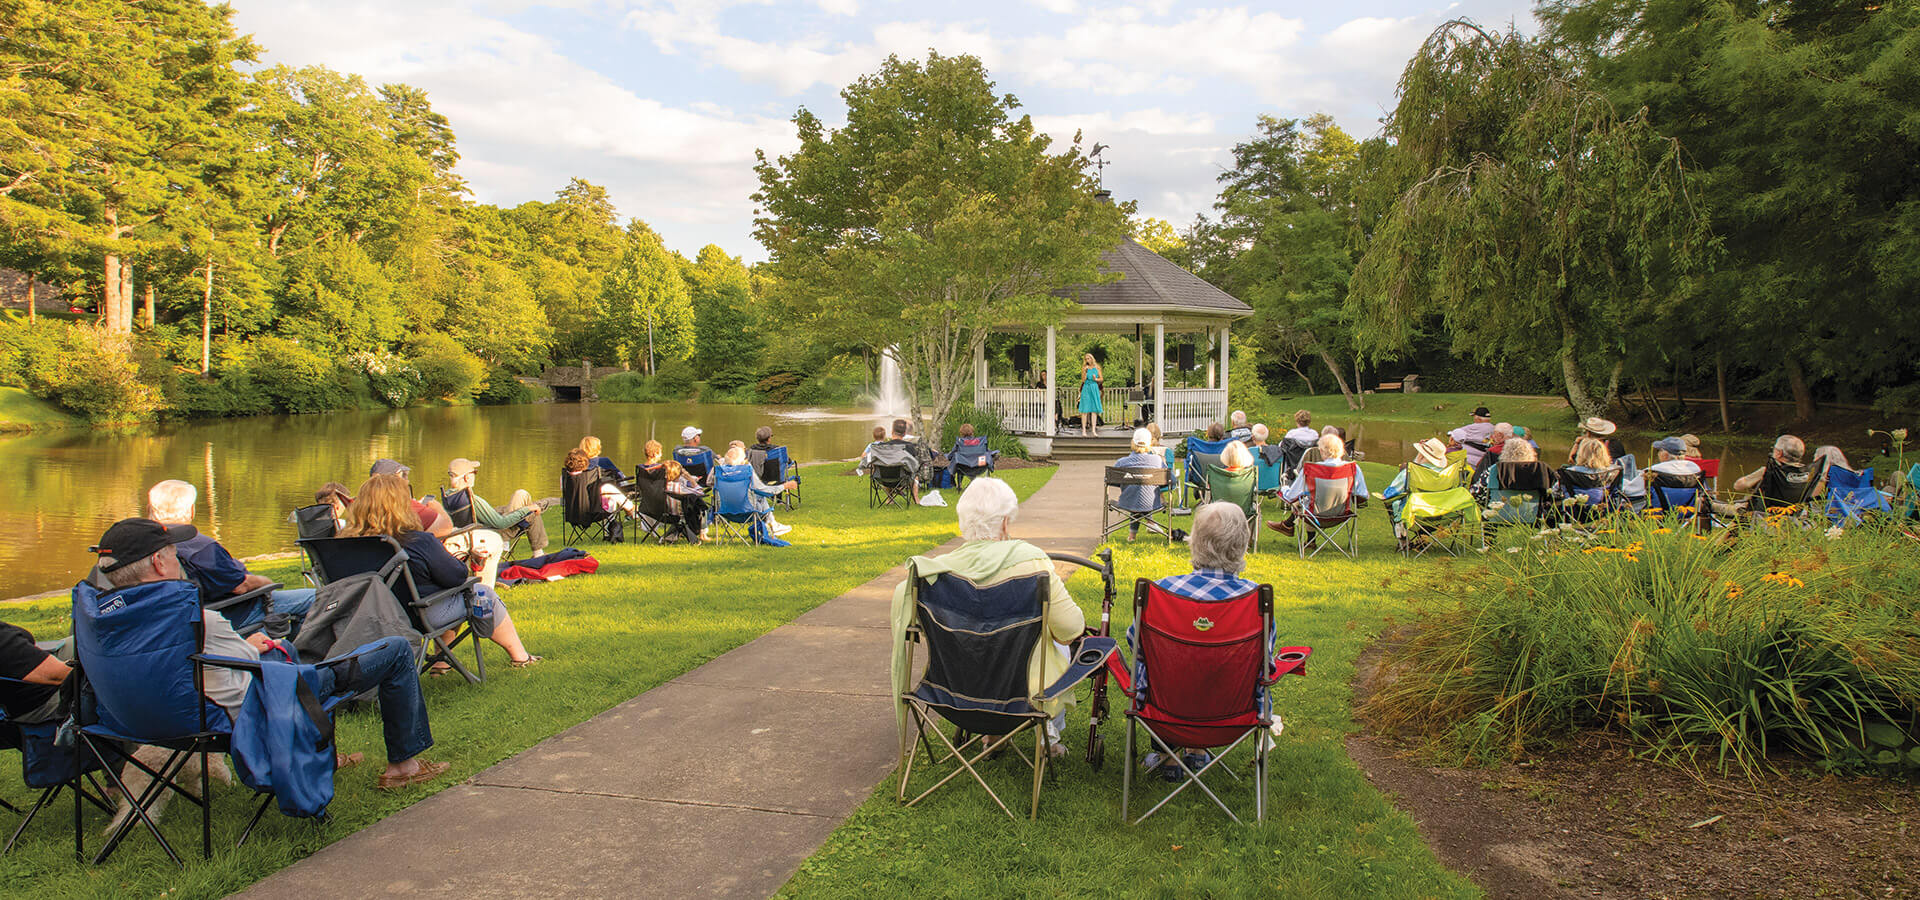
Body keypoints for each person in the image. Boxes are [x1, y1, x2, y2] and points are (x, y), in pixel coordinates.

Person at [87, 517, 449, 790]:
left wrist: (248, 646)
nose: (178, 559)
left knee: (288, 646)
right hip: (255, 709)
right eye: (173, 554)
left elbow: (195, 664)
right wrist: (251, 649)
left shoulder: (101, 624)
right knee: (396, 648)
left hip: (140, 720)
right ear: (158, 563)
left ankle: (326, 758)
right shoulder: (195, 619)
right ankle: (403, 769)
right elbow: (245, 671)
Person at [888, 477, 1083, 757]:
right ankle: (1048, 742)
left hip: (952, 694)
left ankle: (992, 737)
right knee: (1052, 639)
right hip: (1021, 699)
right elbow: (1071, 628)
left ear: (963, 521)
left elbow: (909, 624)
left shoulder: (933, 575)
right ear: (1005, 522)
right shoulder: (1032, 563)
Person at [347, 474, 542, 669]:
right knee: (480, 594)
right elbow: (456, 577)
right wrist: (463, 559)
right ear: (402, 506)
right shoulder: (418, 541)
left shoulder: (346, 546)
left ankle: (441, 662)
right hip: (415, 616)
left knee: (448, 595)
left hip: (364, 618)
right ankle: (521, 657)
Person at [1137, 502, 1263, 780]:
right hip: (1232, 717)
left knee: (1162, 663)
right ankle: (1197, 752)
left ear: (1196, 542)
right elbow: (1265, 660)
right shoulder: (1255, 600)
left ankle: (1167, 756)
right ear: (1243, 543)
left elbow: (1137, 645)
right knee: (1217, 664)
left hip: (1164, 712)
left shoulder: (1162, 592)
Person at [147, 480, 316, 636]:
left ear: (152, 508)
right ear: (191, 510)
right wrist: (266, 582)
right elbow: (240, 586)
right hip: (233, 612)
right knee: (318, 598)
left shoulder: (146, 544)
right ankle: (302, 656)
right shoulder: (201, 547)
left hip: (183, 617)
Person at [445, 457, 553, 577]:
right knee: (532, 512)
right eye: (474, 472)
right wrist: (527, 509)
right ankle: (538, 554)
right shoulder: (472, 500)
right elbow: (501, 524)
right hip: (495, 534)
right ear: (467, 477)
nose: (475, 475)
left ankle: (531, 507)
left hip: (476, 533)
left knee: (520, 495)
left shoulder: (450, 496)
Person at [1268, 432, 1370, 536]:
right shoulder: (1353, 468)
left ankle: (1300, 534)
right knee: (1308, 499)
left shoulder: (1311, 469)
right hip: (1342, 514)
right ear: (1342, 451)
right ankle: (1293, 530)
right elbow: (1363, 495)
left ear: (1321, 451)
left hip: (1313, 515)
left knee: (1303, 501)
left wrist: (1284, 488)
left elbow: (1290, 497)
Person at [0, 618, 70, 724]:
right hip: (41, 700)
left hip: (41, 663)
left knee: (80, 640)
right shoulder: (4, 641)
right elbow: (61, 675)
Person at [721, 441, 797, 535]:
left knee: (757, 494)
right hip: (746, 511)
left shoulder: (718, 471)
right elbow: (763, 490)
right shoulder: (746, 471)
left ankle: (773, 525)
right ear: (742, 460)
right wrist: (785, 486)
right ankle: (772, 524)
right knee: (760, 494)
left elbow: (709, 482)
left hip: (725, 511)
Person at [1114, 428, 1167, 542]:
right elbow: (1170, 480)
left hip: (1127, 501)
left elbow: (1111, 481)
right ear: (1150, 443)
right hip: (1152, 502)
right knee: (1142, 494)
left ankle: (1132, 536)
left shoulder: (1121, 462)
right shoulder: (1157, 461)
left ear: (1133, 442)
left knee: (1136, 493)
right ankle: (1150, 522)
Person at [868, 419, 922, 501]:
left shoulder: (881, 447)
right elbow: (913, 465)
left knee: (887, 467)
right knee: (916, 473)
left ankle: (889, 499)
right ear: (904, 433)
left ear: (892, 431)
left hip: (882, 479)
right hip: (902, 479)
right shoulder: (909, 447)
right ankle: (916, 499)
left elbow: (870, 461)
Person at [662, 460, 710, 542]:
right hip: (680, 515)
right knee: (702, 506)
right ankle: (703, 534)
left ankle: (675, 533)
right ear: (678, 474)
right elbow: (700, 492)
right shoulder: (680, 488)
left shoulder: (661, 486)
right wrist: (690, 478)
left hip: (665, 514)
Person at [1077, 353, 1103, 436]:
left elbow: (1101, 379)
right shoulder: (1085, 368)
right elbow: (1083, 380)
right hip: (1086, 388)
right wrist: (1085, 371)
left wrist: (1096, 379)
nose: (1087, 360)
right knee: (1085, 410)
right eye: (1086, 359)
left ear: (1092, 359)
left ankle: (1093, 430)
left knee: (1094, 410)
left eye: (1088, 358)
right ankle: (1084, 430)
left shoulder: (1097, 367)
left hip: (1094, 387)